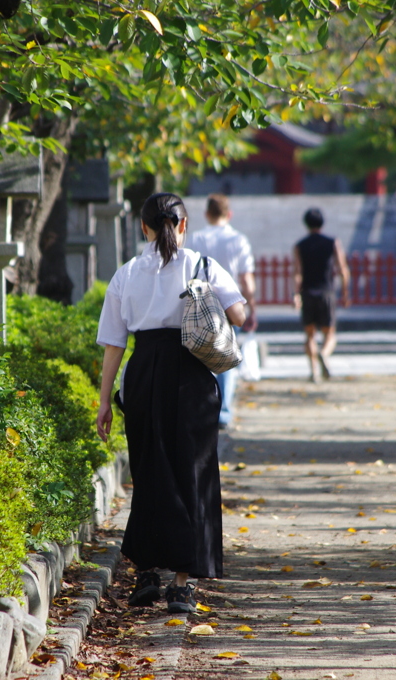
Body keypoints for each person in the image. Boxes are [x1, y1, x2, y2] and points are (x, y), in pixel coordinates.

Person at [95, 192, 246, 614]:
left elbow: (113, 344)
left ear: (143, 227)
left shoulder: (126, 273)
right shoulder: (203, 266)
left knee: (149, 472)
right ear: (183, 225)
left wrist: (104, 402)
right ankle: (182, 586)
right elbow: (239, 316)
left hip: (142, 375)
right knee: (192, 474)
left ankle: (146, 575)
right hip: (193, 376)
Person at [186, 193, 257, 429]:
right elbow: (247, 281)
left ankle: (204, 406)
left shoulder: (194, 238)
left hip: (200, 306)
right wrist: (251, 308)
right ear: (229, 214)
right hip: (228, 307)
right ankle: (223, 412)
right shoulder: (239, 240)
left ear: (207, 214)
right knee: (227, 356)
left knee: (202, 356)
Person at [292, 207, 351, 383]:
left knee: (310, 335)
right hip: (326, 291)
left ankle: (314, 372)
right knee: (330, 334)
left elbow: (297, 273)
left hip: (308, 292)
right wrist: (346, 291)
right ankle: (324, 354)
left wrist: (295, 294)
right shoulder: (332, 242)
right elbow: (342, 268)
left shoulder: (299, 245)